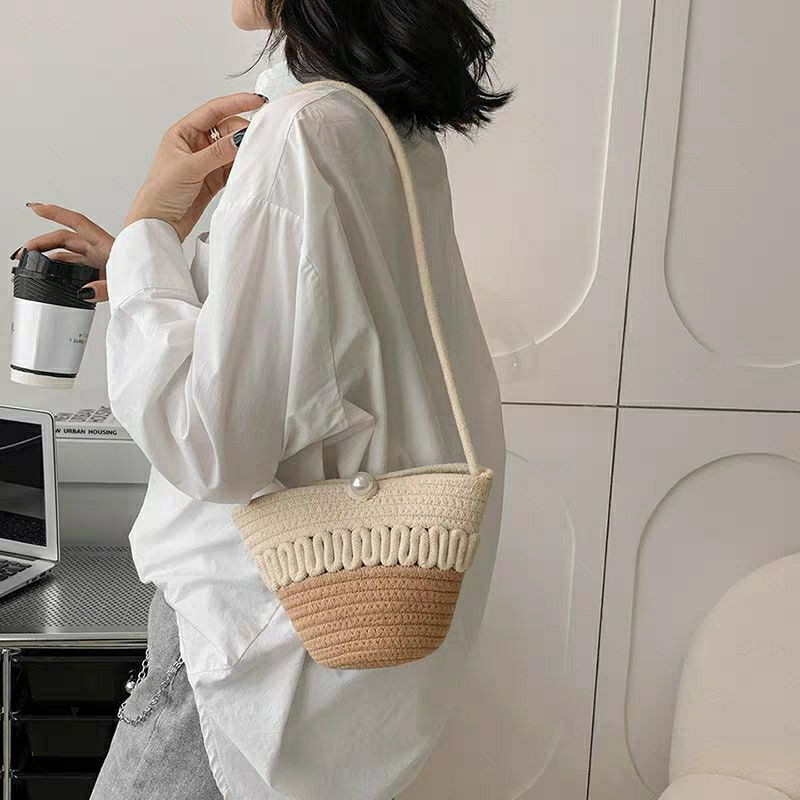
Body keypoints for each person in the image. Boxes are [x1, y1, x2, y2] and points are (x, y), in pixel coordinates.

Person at [13, 1, 510, 797]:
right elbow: (322, 354)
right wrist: (158, 267)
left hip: (245, 635)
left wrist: (150, 226)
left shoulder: (299, 131)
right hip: (335, 624)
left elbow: (214, 448)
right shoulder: (385, 124)